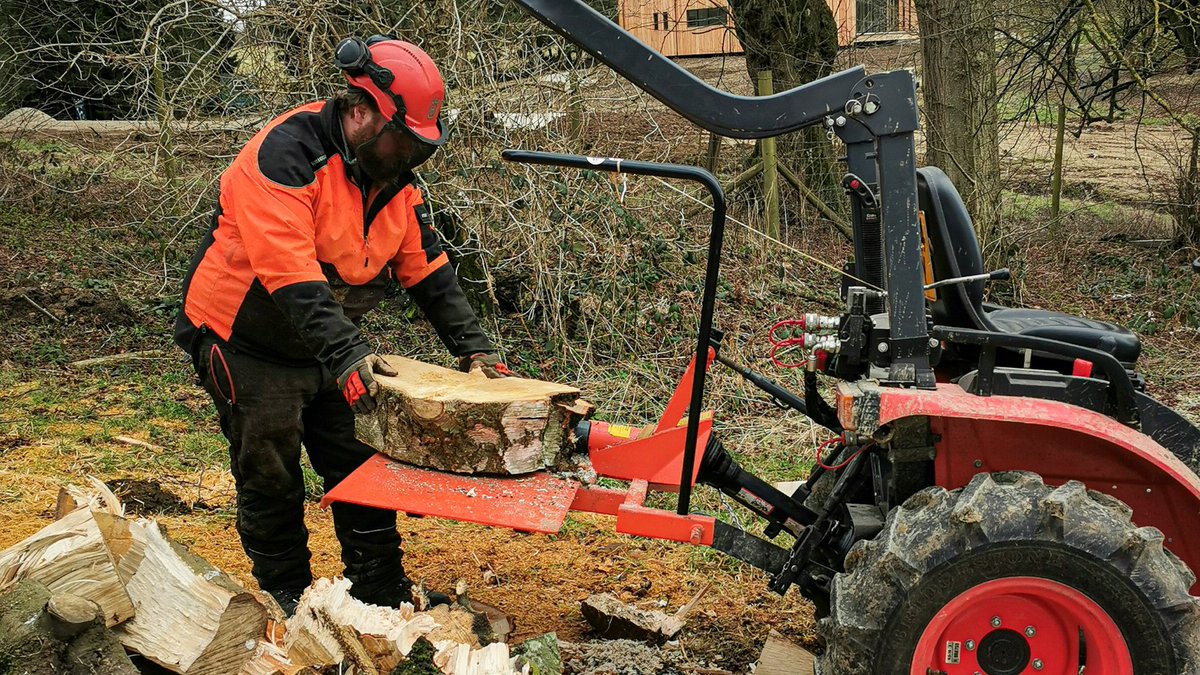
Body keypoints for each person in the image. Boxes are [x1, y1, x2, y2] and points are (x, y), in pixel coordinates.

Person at [173, 35, 508, 615]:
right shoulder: (284, 154)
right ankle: (288, 598)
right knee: (271, 468)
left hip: (324, 344)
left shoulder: (393, 180)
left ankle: (378, 591)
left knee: (360, 465)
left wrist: (475, 351)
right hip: (248, 336)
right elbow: (291, 276)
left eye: (418, 147)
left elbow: (427, 271)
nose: (410, 157)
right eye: (403, 141)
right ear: (361, 111)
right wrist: (349, 355)